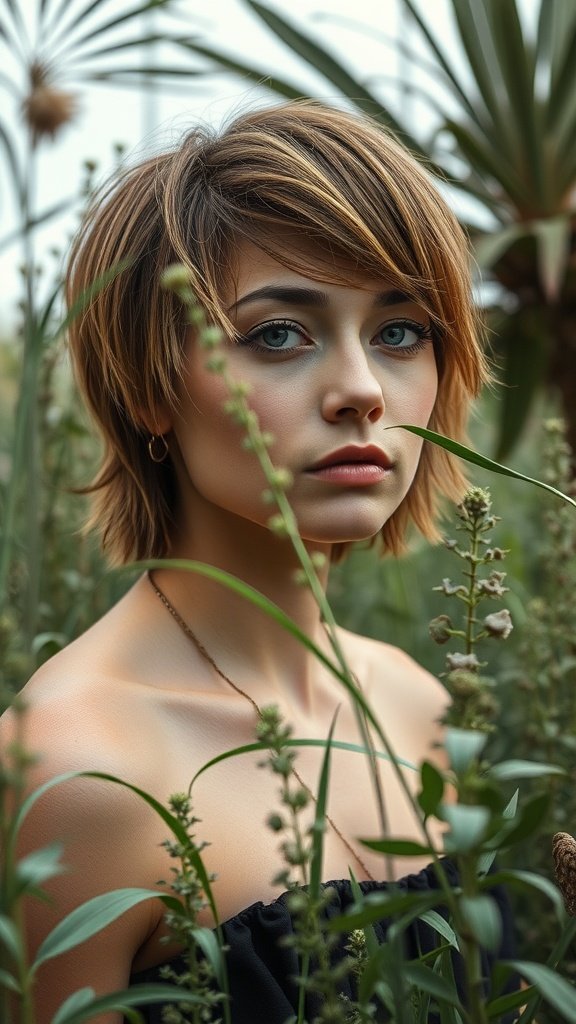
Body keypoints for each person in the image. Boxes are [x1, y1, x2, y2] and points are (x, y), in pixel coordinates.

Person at [0, 101, 515, 1023]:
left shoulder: (425, 703)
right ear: (149, 384)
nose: (361, 389)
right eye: (279, 332)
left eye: (401, 331)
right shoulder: (71, 775)